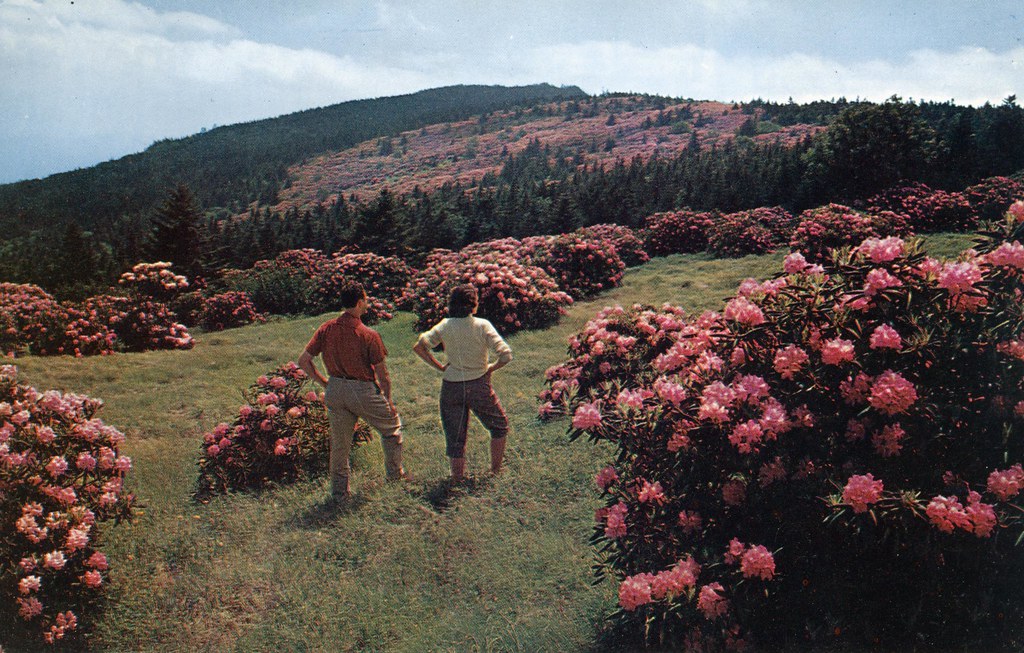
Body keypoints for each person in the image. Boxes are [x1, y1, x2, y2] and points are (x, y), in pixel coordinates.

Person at [298, 281, 405, 501]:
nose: (367, 303)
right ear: (359, 302)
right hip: (362, 389)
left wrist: (324, 383)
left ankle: (339, 494)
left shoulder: (326, 328)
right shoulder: (368, 334)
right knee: (392, 428)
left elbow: (304, 361)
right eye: (365, 299)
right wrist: (389, 400)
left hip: (335, 388)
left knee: (340, 446)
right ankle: (396, 476)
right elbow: (383, 376)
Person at [412, 284, 512, 482]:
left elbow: (420, 347)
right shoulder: (482, 325)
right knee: (499, 425)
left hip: (451, 386)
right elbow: (506, 355)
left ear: (452, 304)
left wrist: (440, 367)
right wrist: (491, 367)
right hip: (478, 385)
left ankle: (457, 478)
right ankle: (495, 471)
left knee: (455, 436)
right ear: (473, 306)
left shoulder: (445, 325)